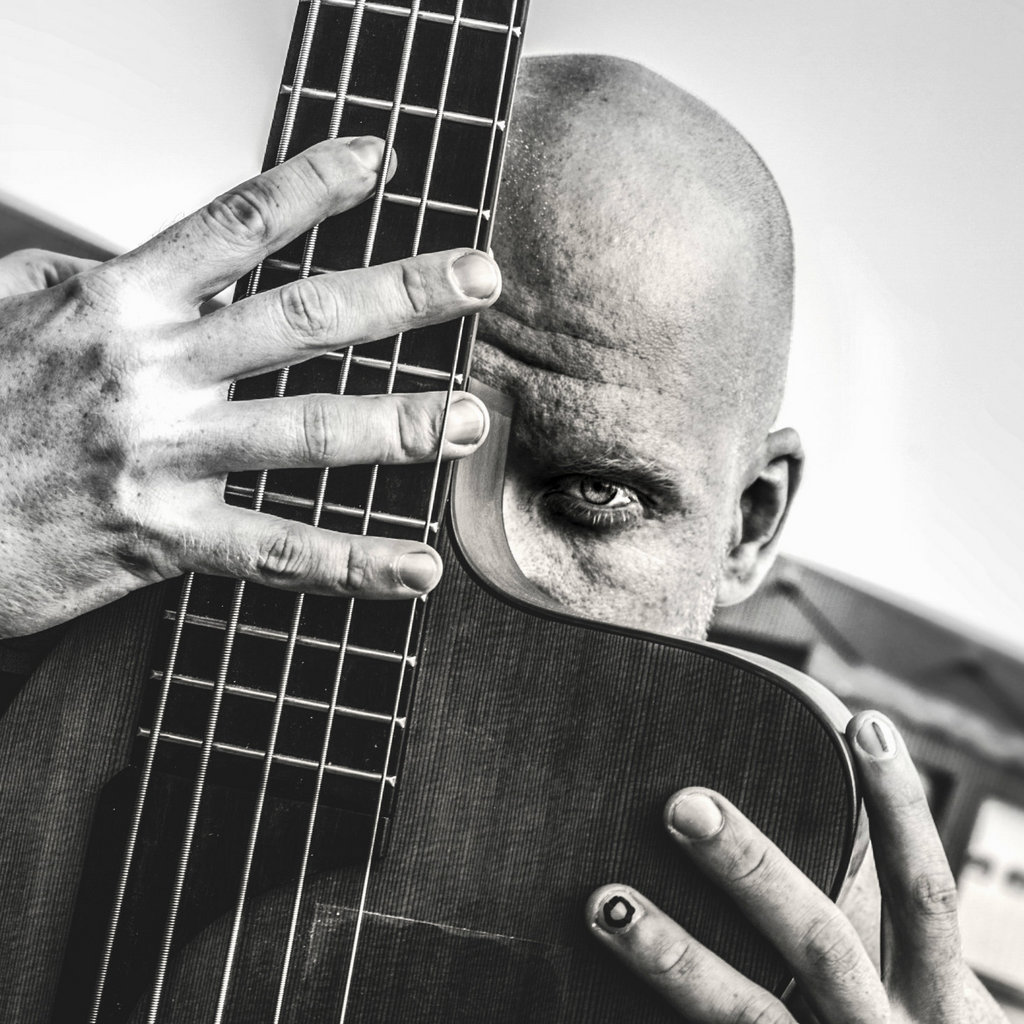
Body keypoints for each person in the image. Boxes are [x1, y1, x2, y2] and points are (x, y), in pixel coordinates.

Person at [0, 52, 1006, 1024]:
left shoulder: (812, 887)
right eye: (386, 467)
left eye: (595, 494)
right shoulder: (59, 599)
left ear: (748, 525)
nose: (445, 573)